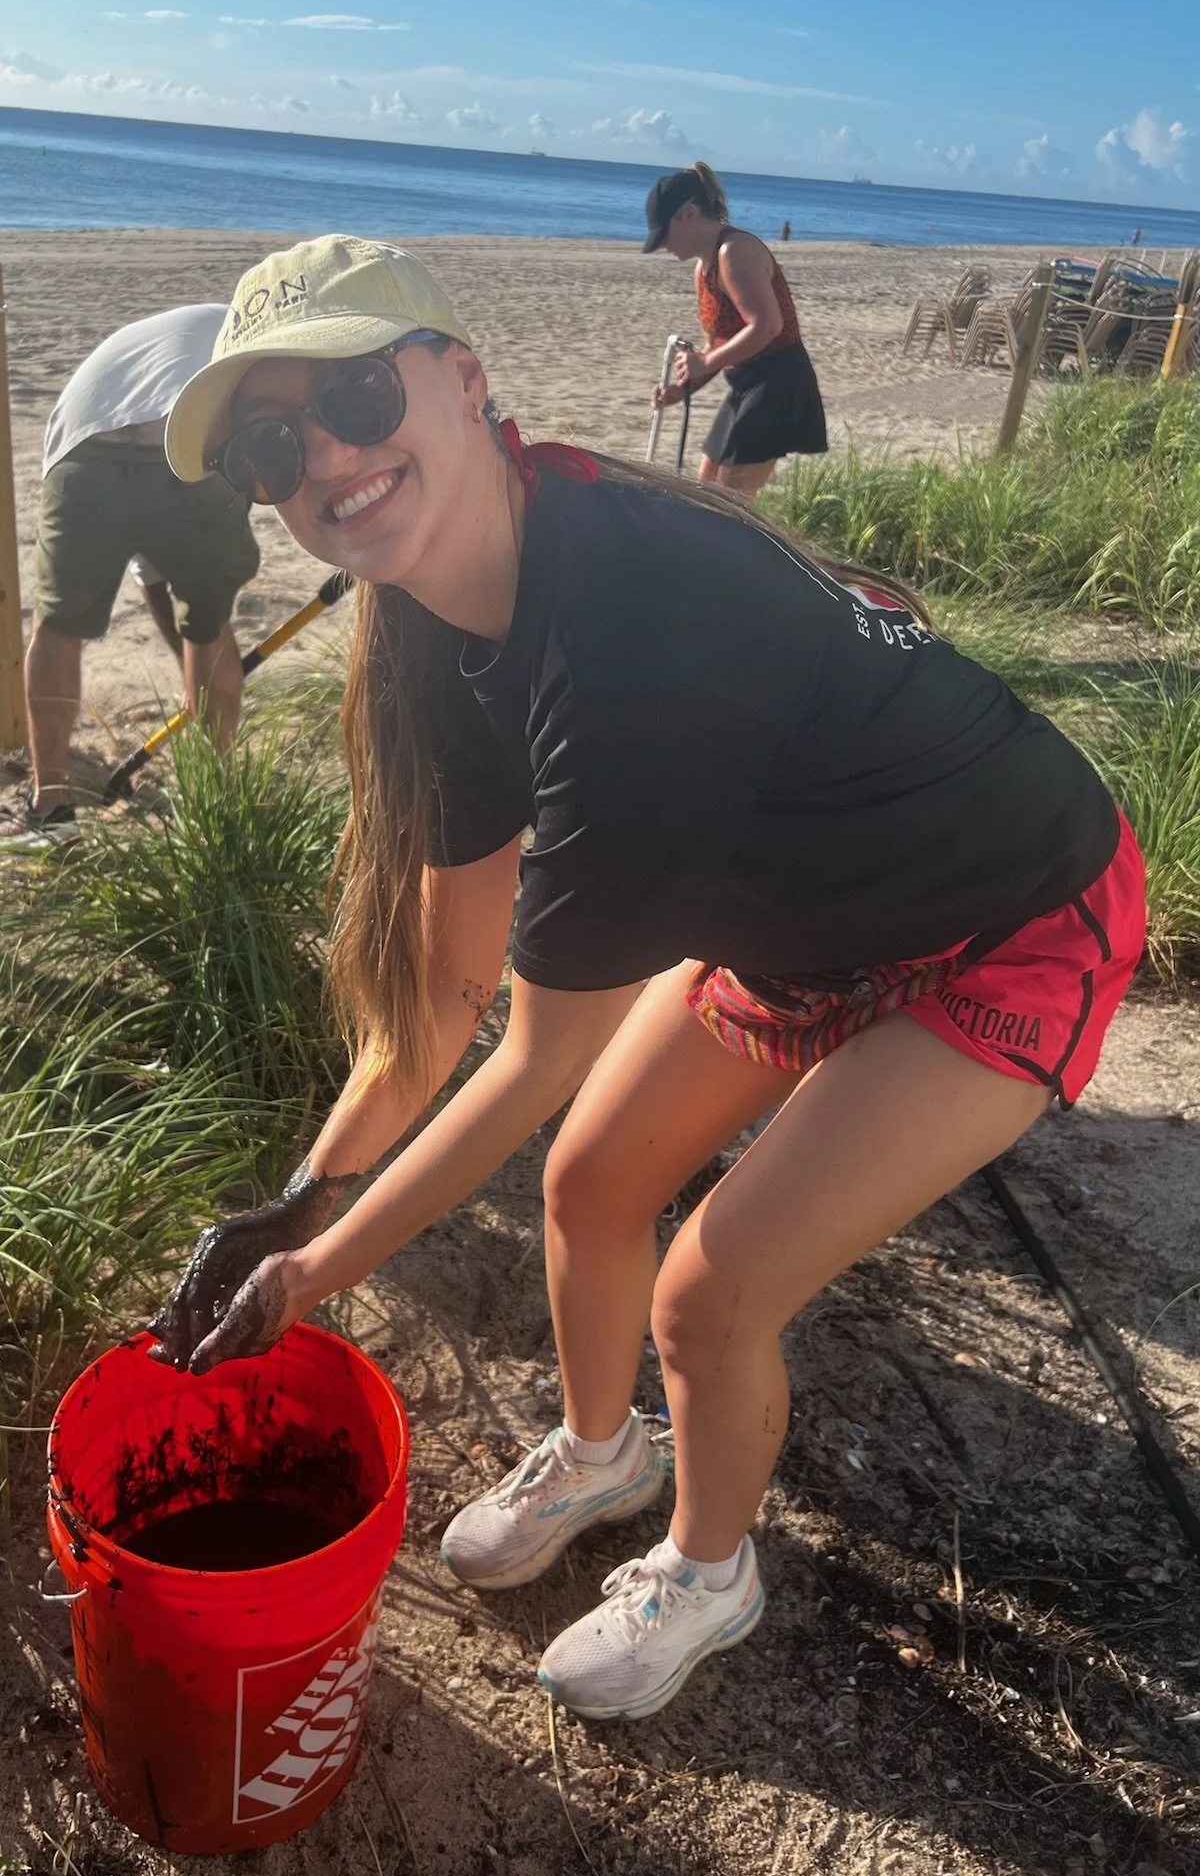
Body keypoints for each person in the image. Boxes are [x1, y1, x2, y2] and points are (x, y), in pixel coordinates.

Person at [150, 235, 1143, 1724]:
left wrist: (316, 1278)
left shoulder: (633, 629)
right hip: (802, 915)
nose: (329, 462)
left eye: (357, 395)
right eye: (277, 448)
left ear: (465, 379)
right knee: (592, 1183)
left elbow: (529, 1061)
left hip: (1006, 915)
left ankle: (708, 1567)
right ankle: (606, 1455)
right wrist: (298, 1198)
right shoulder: (422, 619)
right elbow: (434, 1015)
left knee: (705, 1292)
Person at [0, 304, 260, 847]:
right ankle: (216, 804)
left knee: (58, 627)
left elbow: (149, 564)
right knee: (210, 629)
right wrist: (199, 628)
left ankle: (51, 809)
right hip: (187, 456)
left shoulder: (175, 334)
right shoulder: (257, 340)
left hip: (84, 449)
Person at [644, 163, 827, 500]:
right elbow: (718, 346)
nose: (663, 246)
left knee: (729, 501)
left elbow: (768, 325)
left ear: (689, 213)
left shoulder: (735, 252)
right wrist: (679, 391)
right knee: (707, 487)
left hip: (779, 380)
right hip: (745, 383)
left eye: (664, 234)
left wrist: (708, 359)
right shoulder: (703, 269)